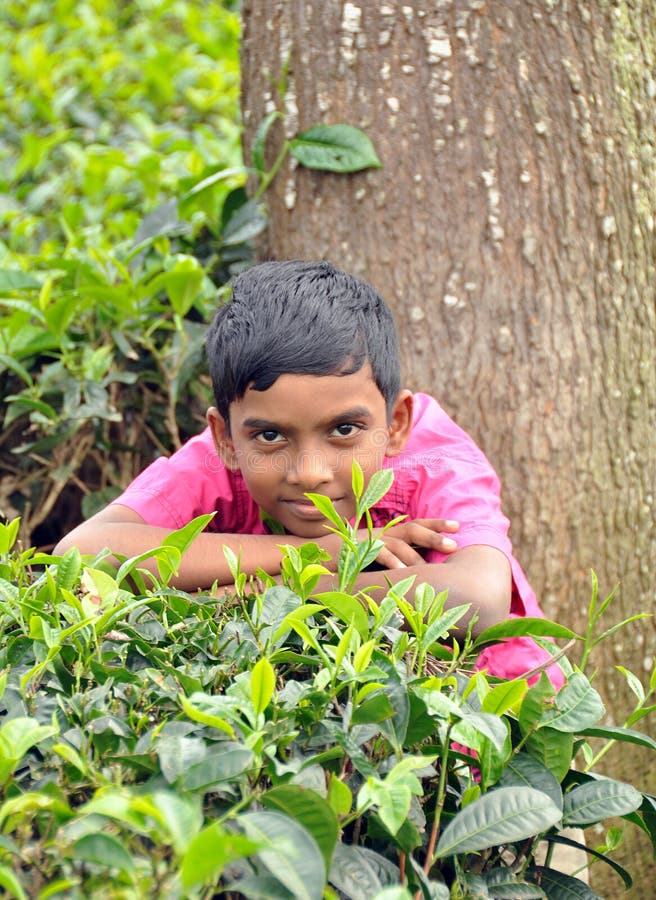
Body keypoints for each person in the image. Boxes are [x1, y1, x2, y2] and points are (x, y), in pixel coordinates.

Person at [55, 259, 563, 684]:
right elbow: (80, 551)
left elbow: (478, 599)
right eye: (271, 437)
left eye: (344, 429)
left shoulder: (434, 460)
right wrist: (330, 553)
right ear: (226, 439)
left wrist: (241, 596)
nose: (310, 473)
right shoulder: (216, 458)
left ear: (398, 422)